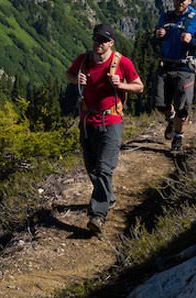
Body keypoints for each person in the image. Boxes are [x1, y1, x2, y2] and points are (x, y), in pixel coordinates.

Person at [66, 23, 143, 235]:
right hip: (87, 121)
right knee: (91, 166)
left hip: (111, 121)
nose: (98, 43)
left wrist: (121, 85)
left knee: (104, 168)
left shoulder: (121, 63)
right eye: (95, 38)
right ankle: (108, 196)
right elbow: (68, 74)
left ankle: (97, 215)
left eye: (102, 40)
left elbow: (139, 86)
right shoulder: (83, 60)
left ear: (111, 43)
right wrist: (76, 79)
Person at [152, 0, 196, 154]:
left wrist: (193, 41)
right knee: (160, 103)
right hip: (165, 66)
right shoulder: (165, 18)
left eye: (183, 0)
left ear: (189, 1)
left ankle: (178, 137)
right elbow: (161, 37)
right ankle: (171, 120)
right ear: (173, 0)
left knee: (183, 107)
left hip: (185, 69)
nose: (179, 2)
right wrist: (158, 35)